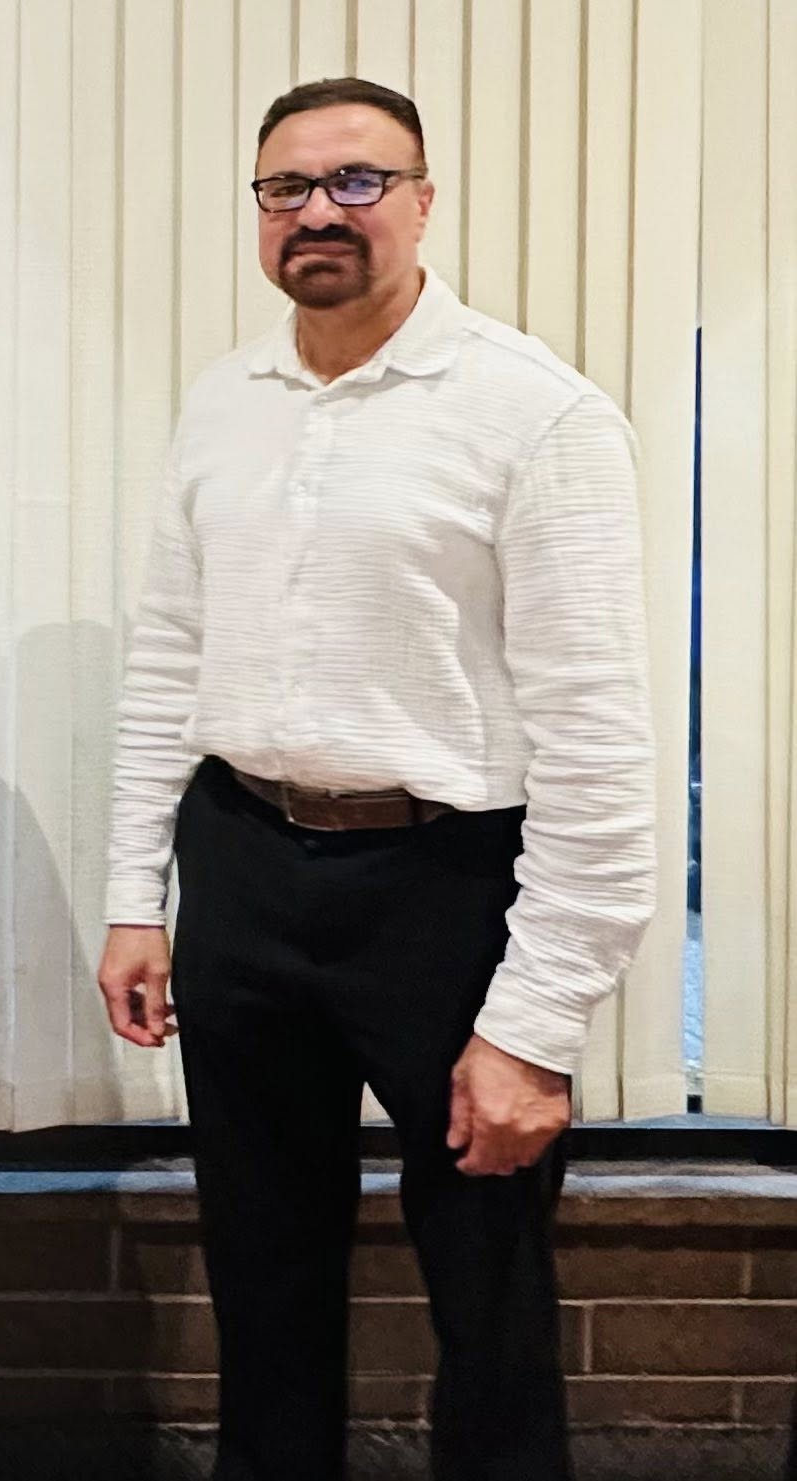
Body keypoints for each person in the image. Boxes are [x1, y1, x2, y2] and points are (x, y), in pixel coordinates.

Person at [96, 78, 655, 1480]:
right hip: (241, 864)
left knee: (486, 1292)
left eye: (356, 181)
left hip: (445, 890)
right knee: (261, 1276)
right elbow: (166, 660)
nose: (318, 213)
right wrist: (133, 897)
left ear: (421, 199)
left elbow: (595, 737)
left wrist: (536, 1023)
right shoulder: (222, 403)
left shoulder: (535, 414)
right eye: (286, 188)